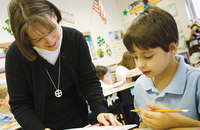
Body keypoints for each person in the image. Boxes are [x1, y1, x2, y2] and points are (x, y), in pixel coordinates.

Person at [5, 0, 122, 130]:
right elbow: (20, 104)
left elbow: (89, 82)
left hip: (80, 122)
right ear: (26, 38)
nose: (50, 41)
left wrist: (101, 110)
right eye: (38, 39)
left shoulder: (75, 39)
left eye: (51, 29)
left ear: (54, 14)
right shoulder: (16, 55)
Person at [123, 6, 200, 129]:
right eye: (135, 57)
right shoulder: (140, 85)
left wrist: (175, 122)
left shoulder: (196, 81)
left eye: (148, 56)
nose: (140, 64)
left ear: (172, 49)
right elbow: (144, 124)